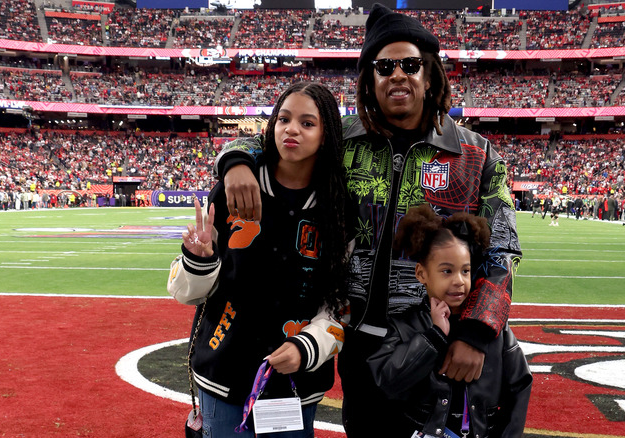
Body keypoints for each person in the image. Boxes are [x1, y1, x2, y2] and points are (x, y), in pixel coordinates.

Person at [212, 4, 522, 437]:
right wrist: (237, 162)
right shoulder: (342, 140)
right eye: (384, 66)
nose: (397, 74)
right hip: (359, 345)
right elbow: (275, 138)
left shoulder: (476, 155)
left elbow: (503, 251)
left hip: (438, 344)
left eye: (410, 64)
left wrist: (475, 334)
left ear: (429, 74)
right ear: (369, 79)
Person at [167, 82, 349, 438]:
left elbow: (340, 303)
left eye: (307, 123)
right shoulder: (234, 188)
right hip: (224, 374)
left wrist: (307, 347)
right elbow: (187, 293)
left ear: (327, 135)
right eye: (283, 119)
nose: (291, 129)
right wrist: (199, 258)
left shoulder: (338, 208)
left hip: (298, 381)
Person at [368, 204, 531, 438]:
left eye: (465, 271)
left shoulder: (494, 330)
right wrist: (433, 338)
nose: (459, 281)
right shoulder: (404, 326)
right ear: (421, 273)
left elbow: (519, 385)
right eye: (447, 271)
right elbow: (387, 383)